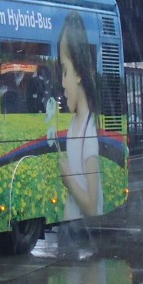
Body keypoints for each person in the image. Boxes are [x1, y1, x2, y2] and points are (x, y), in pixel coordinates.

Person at [57, 12, 102, 216]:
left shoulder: (88, 133)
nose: (62, 82)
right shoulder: (75, 124)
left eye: (64, 71)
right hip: (72, 229)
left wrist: (68, 179)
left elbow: (92, 206)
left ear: (77, 74)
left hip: (79, 229)